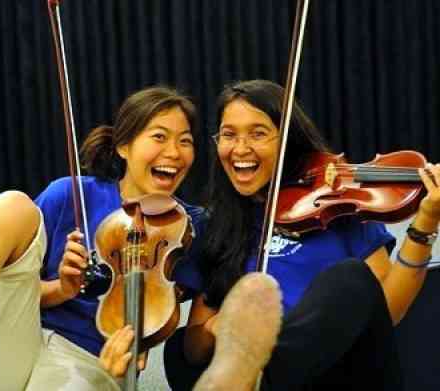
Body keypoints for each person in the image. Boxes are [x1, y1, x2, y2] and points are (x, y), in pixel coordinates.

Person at [0, 86, 206, 391]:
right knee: (14, 205)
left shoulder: (189, 227)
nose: (174, 152)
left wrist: (145, 331)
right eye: (159, 137)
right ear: (124, 145)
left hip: (90, 361)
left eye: (185, 141)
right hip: (15, 341)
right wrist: (62, 289)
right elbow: (14, 284)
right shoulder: (71, 194)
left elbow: (168, 316)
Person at [164, 79, 440, 390]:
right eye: (229, 135)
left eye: (258, 133)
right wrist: (224, 325)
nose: (240, 149)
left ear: (288, 141)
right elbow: (193, 347)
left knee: (349, 277)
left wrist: (426, 223)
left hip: (345, 374)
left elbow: (387, 312)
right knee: (176, 353)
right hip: (250, 367)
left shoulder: (343, 208)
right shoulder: (218, 228)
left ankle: (267, 376)